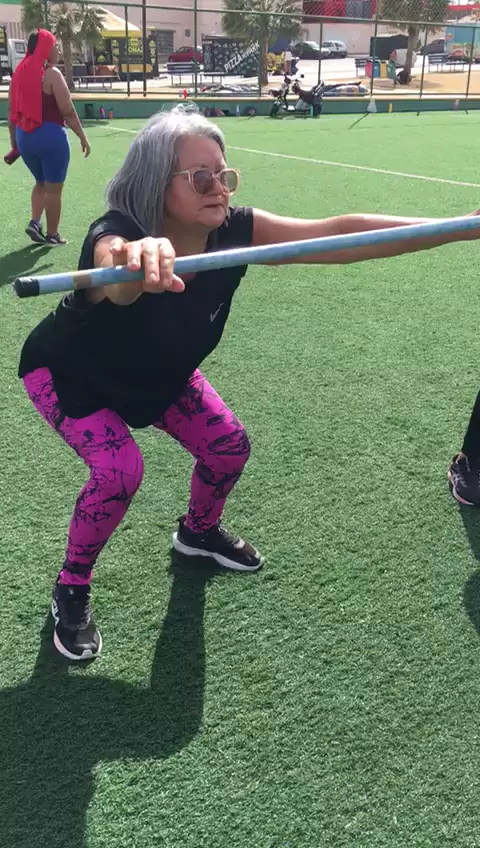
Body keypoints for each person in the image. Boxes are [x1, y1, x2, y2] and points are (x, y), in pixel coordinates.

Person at [18, 104, 480, 661]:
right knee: (119, 470)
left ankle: (197, 533)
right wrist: (134, 261)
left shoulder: (234, 231)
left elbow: (336, 235)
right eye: (200, 177)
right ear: (156, 183)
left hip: (158, 373)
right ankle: (71, 586)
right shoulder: (117, 234)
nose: (220, 188)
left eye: (224, 174)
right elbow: (114, 275)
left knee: (227, 446)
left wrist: (460, 227)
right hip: (72, 376)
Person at [8, 28, 91, 247]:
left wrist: (14, 143)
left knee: (40, 182)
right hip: (50, 137)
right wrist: (83, 137)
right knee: (54, 190)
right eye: (54, 46)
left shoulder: (19, 72)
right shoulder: (52, 74)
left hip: (24, 138)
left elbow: (11, 112)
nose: (57, 50)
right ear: (45, 48)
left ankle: (35, 223)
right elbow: (68, 111)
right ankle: (52, 235)